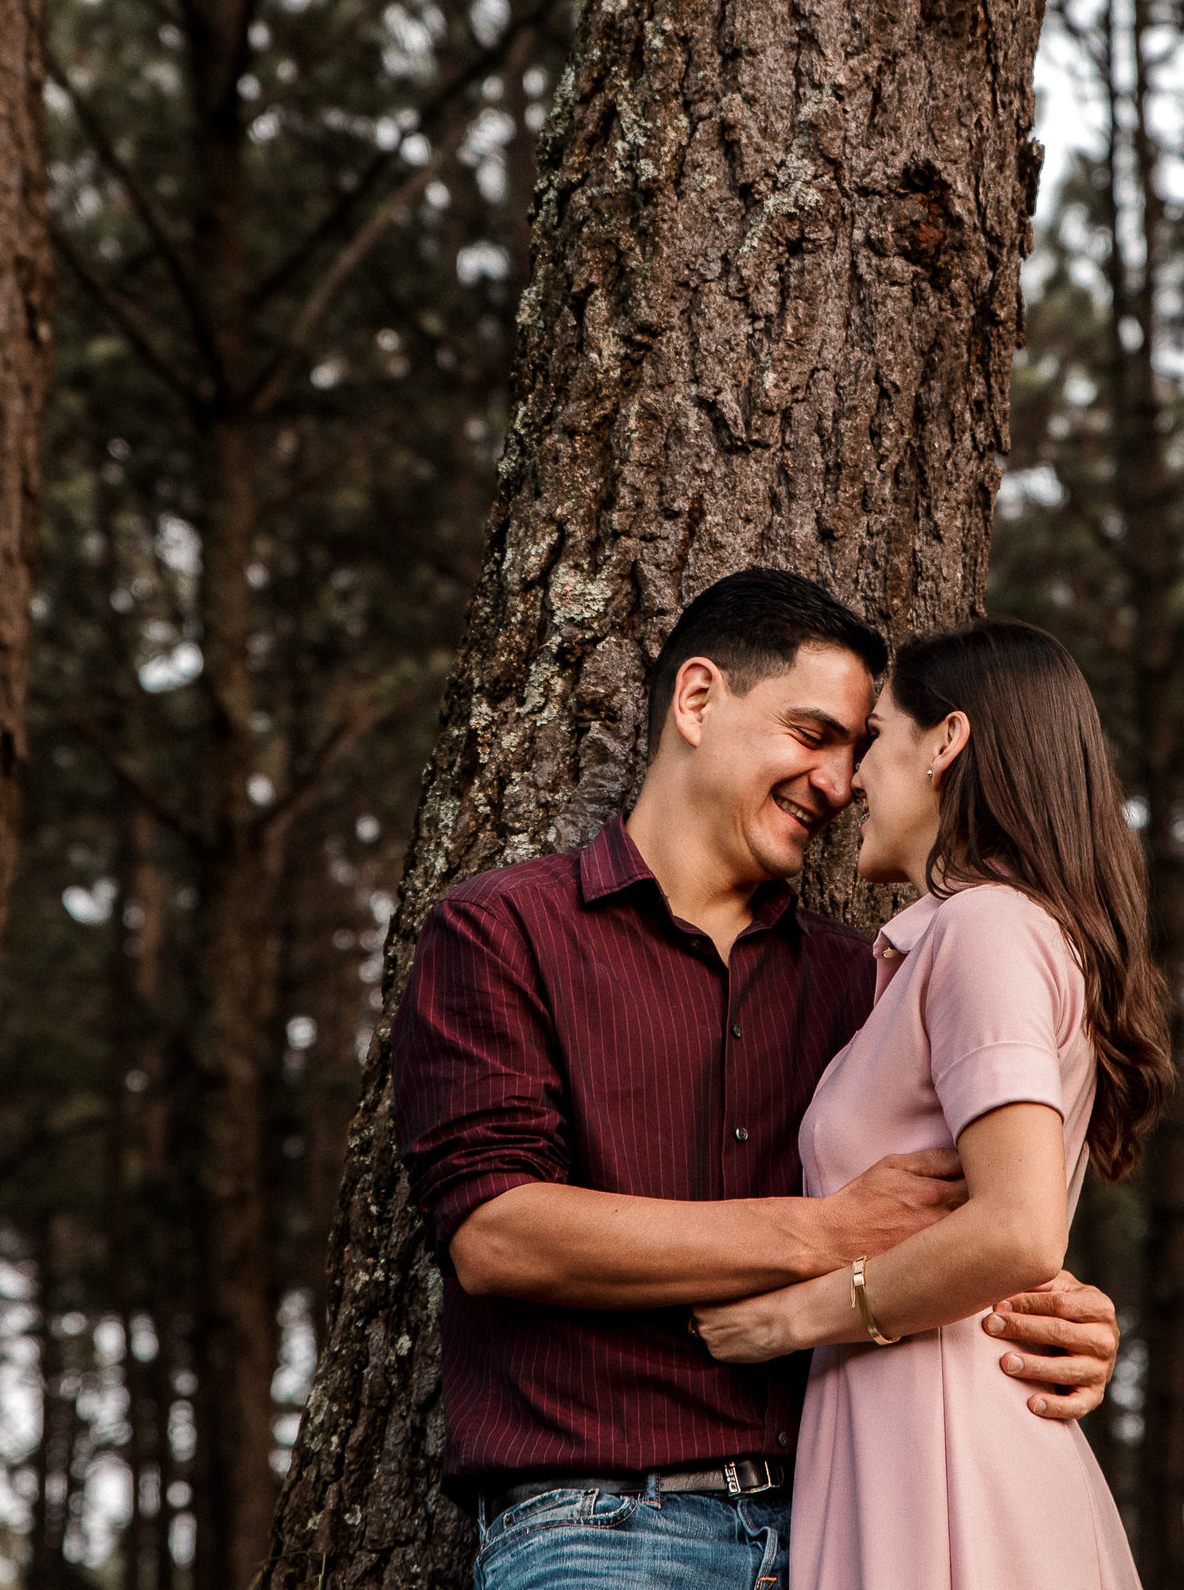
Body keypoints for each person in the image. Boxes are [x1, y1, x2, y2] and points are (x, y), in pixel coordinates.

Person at [392, 569, 1127, 1590]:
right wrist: (820, 1231)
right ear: (697, 700)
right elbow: (495, 1233)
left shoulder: (863, 976)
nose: (836, 781)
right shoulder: (504, 932)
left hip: (858, 1520)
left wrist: (1059, 1311)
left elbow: (980, 1213)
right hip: (608, 1525)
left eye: (858, 750)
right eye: (813, 733)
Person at [688, 617, 1171, 1590]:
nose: (852, 779)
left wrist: (784, 1320)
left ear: (944, 742)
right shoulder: (953, 948)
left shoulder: (984, 927)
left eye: (871, 741)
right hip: (909, 1442)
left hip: (951, 1461)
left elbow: (1017, 1230)